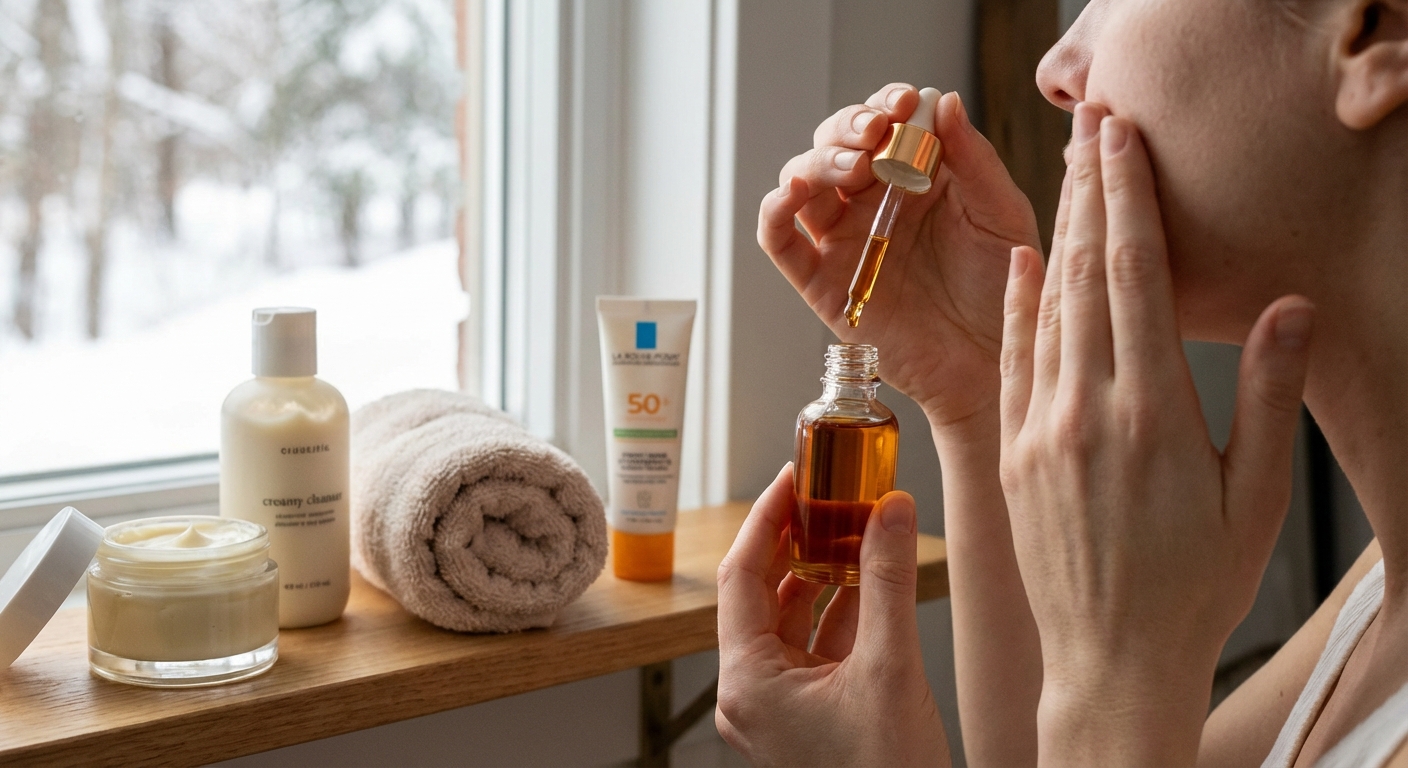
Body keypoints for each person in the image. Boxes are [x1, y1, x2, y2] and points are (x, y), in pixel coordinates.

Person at [716, 0, 1408, 765]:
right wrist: (985, 390)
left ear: (1377, 32)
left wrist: (1116, 676)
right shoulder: (1383, 591)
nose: (1055, 71)